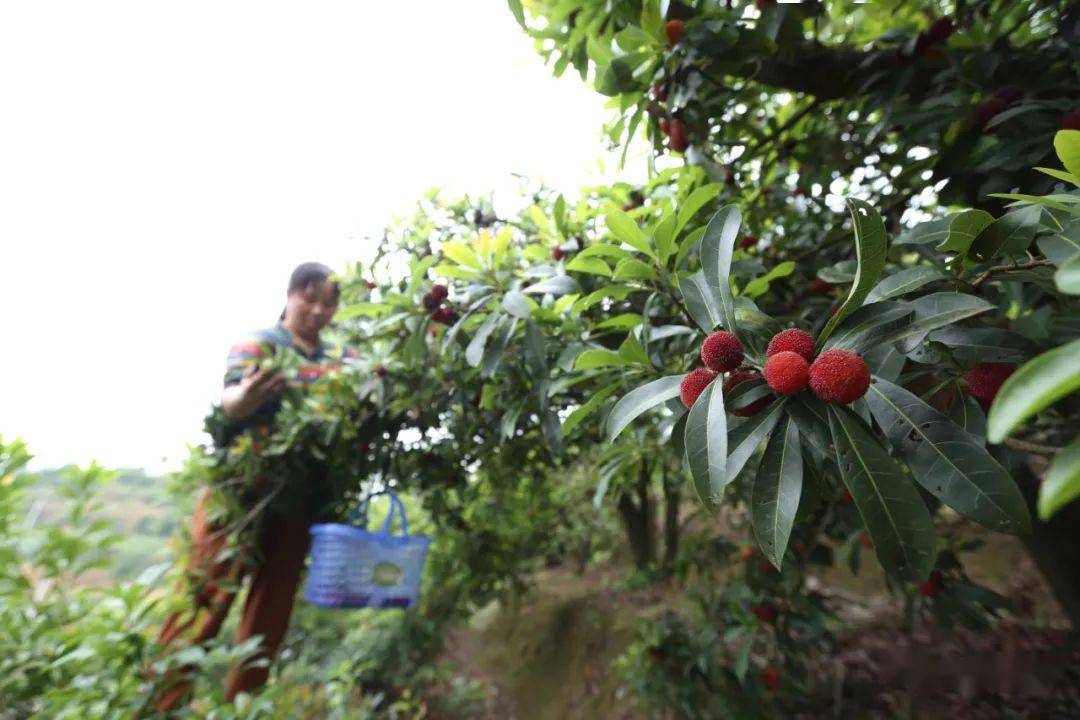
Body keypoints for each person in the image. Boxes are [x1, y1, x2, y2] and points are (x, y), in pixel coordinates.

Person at [146, 262, 355, 713]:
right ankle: (159, 704)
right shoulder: (259, 345)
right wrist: (247, 397)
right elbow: (232, 400)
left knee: (269, 617)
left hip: (297, 503)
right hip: (240, 494)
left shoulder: (340, 359)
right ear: (290, 295)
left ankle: (241, 708)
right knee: (202, 603)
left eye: (329, 302)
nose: (318, 310)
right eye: (310, 298)